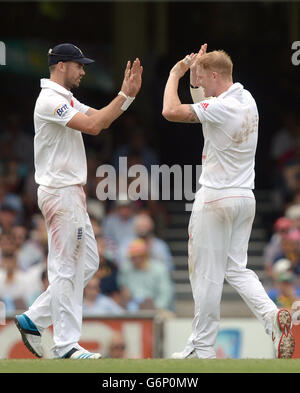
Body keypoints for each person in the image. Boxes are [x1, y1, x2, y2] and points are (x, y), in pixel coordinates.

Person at [162, 43, 294, 359]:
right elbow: (206, 106)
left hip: (215, 198)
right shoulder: (245, 99)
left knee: (205, 273)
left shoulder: (223, 107)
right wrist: (195, 78)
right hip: (243, 198)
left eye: (205, 79)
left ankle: (202, 347)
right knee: (237, 269)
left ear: (217, 75)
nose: (202, 85)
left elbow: (170, 111)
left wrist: (175, 74)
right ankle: (270, 316)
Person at [15, 42, 143, 360]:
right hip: (60, 192)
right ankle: (65, 345)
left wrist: (126, 95)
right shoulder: (49, 101)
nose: (83, 71)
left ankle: (35, 318)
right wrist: (125, 96)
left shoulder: (64, 98)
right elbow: (94, 126)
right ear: (61, 66)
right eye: (79, 66)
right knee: (64, 268)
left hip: (70, 192)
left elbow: (100, 118)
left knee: (87, 263)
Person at [118, 238, 173, 311]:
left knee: (166, 317)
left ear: (145, 255)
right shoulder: (125, 269)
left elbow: (165, 294)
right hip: (131, 309)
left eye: (138, 256)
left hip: (156, 309)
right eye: (133, 257)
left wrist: (155, 308)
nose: (135, 259)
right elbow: (122, 290)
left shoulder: (159, 269)